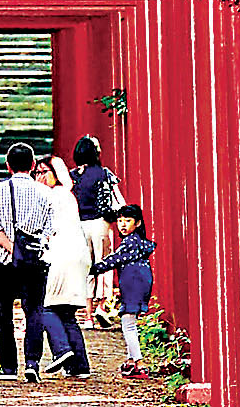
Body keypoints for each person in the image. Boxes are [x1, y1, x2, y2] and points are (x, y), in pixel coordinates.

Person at [0, 142, 54, 384]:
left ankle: (8, 367)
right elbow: (50, 230)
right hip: (35, 263)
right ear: (33, 166)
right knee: (34, 311)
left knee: (3, 314)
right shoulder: (45, 193)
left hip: (3, 262)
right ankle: (32, 363)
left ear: (8, 165)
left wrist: (13, 249)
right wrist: (29, 249)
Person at [33, 155, 91, 380]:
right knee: (67, 312)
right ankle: (79, 365)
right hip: (77, 255)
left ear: (55, 173)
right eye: (37, 173)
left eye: (44, 172)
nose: (39, 177)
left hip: (58, 255)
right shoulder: (68, 195)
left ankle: (61, 349)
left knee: (44, 305)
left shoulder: (47, 194)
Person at [90, 204, 155, 381]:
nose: (123, 225)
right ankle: (131, 359)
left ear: (138, 223)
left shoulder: (129, 243)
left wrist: (94, 268)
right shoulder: (139, 243)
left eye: (128, 221)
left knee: (128, 324)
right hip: (140, 281)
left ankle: (139, 362)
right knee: (130, 321)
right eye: (119, 221)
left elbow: (115, 259)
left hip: (132, 284)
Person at [69, 135, 122, 328]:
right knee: (104, 265)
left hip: (80, 225)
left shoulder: (72, 176)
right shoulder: (104, 173)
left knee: (85, 268)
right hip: (101, 223)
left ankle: (88, 316)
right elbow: (118, 199)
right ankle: (102, 306)